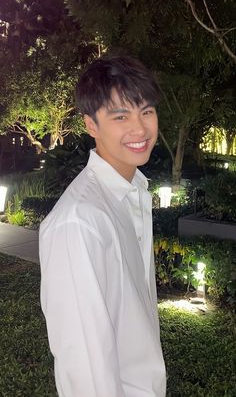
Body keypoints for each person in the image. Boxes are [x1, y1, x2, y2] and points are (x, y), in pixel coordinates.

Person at [39, 55, 166, 397]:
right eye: (121, 116)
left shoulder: (133, 192)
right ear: (91, 125)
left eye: (147, 111)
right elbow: (85, 368)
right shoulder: (79, 222)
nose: (140, 129)